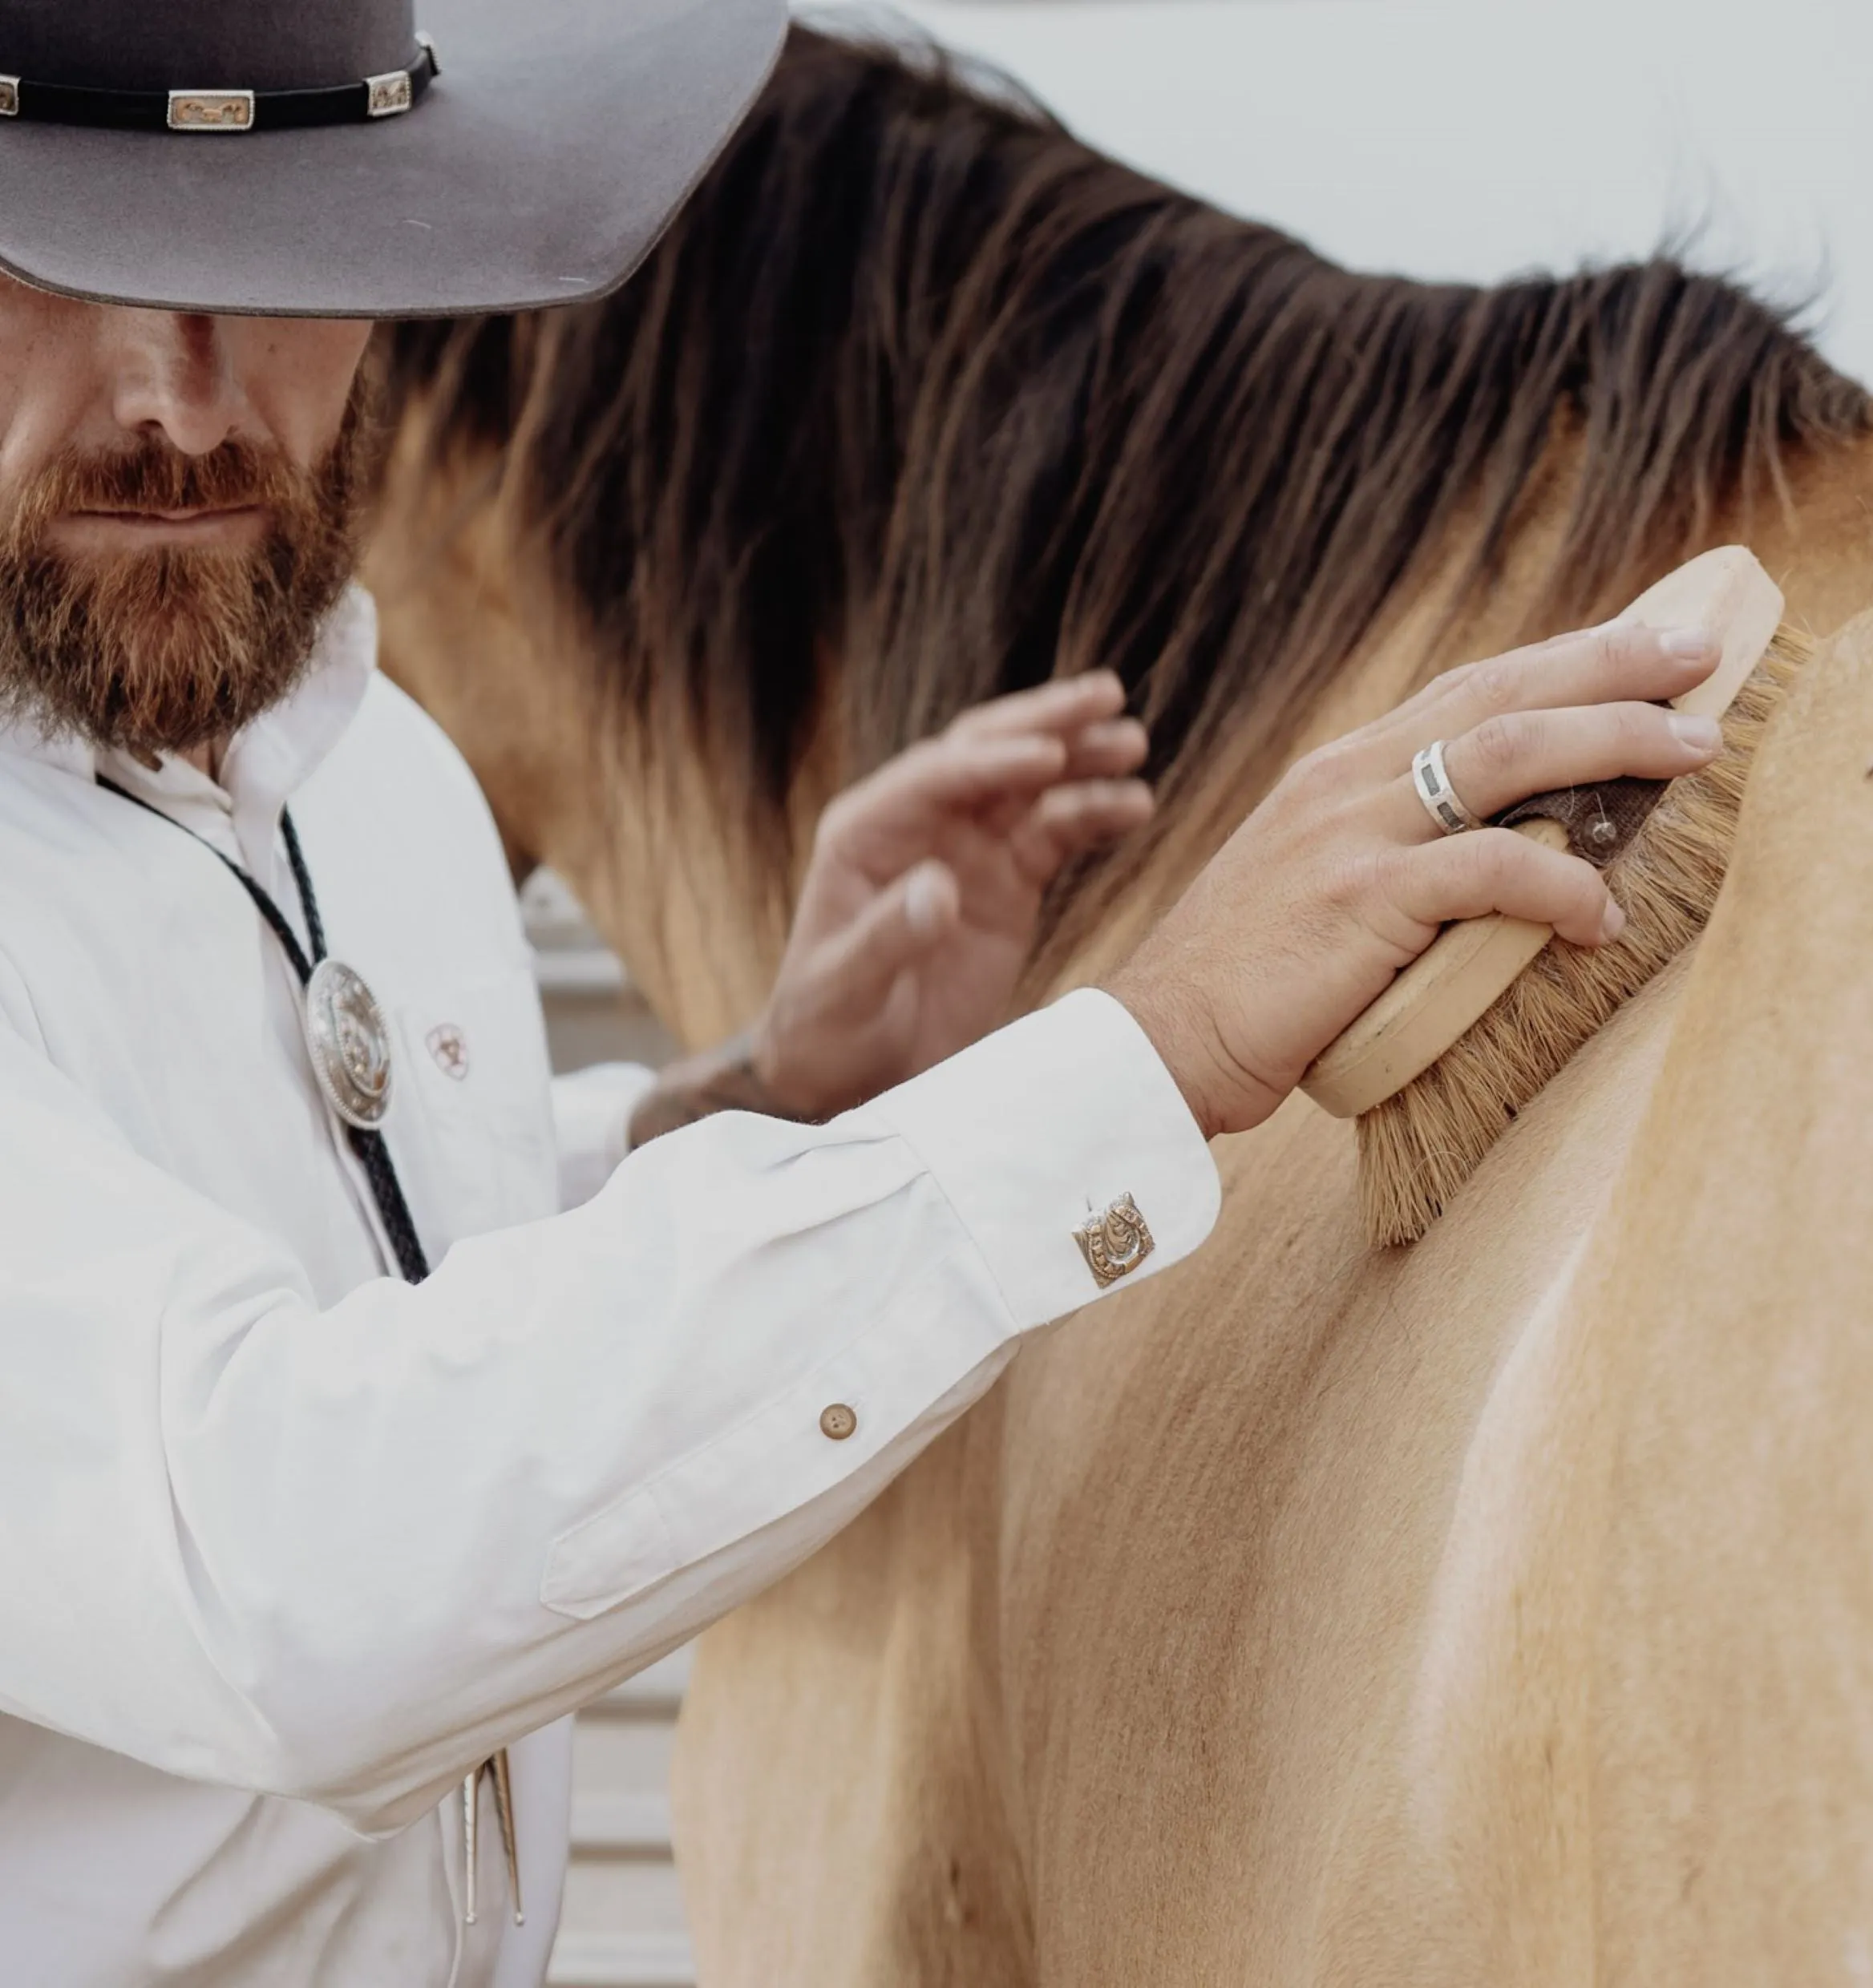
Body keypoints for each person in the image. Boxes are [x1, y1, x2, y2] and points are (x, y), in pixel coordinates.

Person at [0, 2, 1733, 1982]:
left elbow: (307, 1287)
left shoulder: (367, 772)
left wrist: (756, 1100)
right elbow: (275, 1562)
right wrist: (1136, 1056)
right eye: (45, 259)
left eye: (270, 256)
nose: (181, 394)